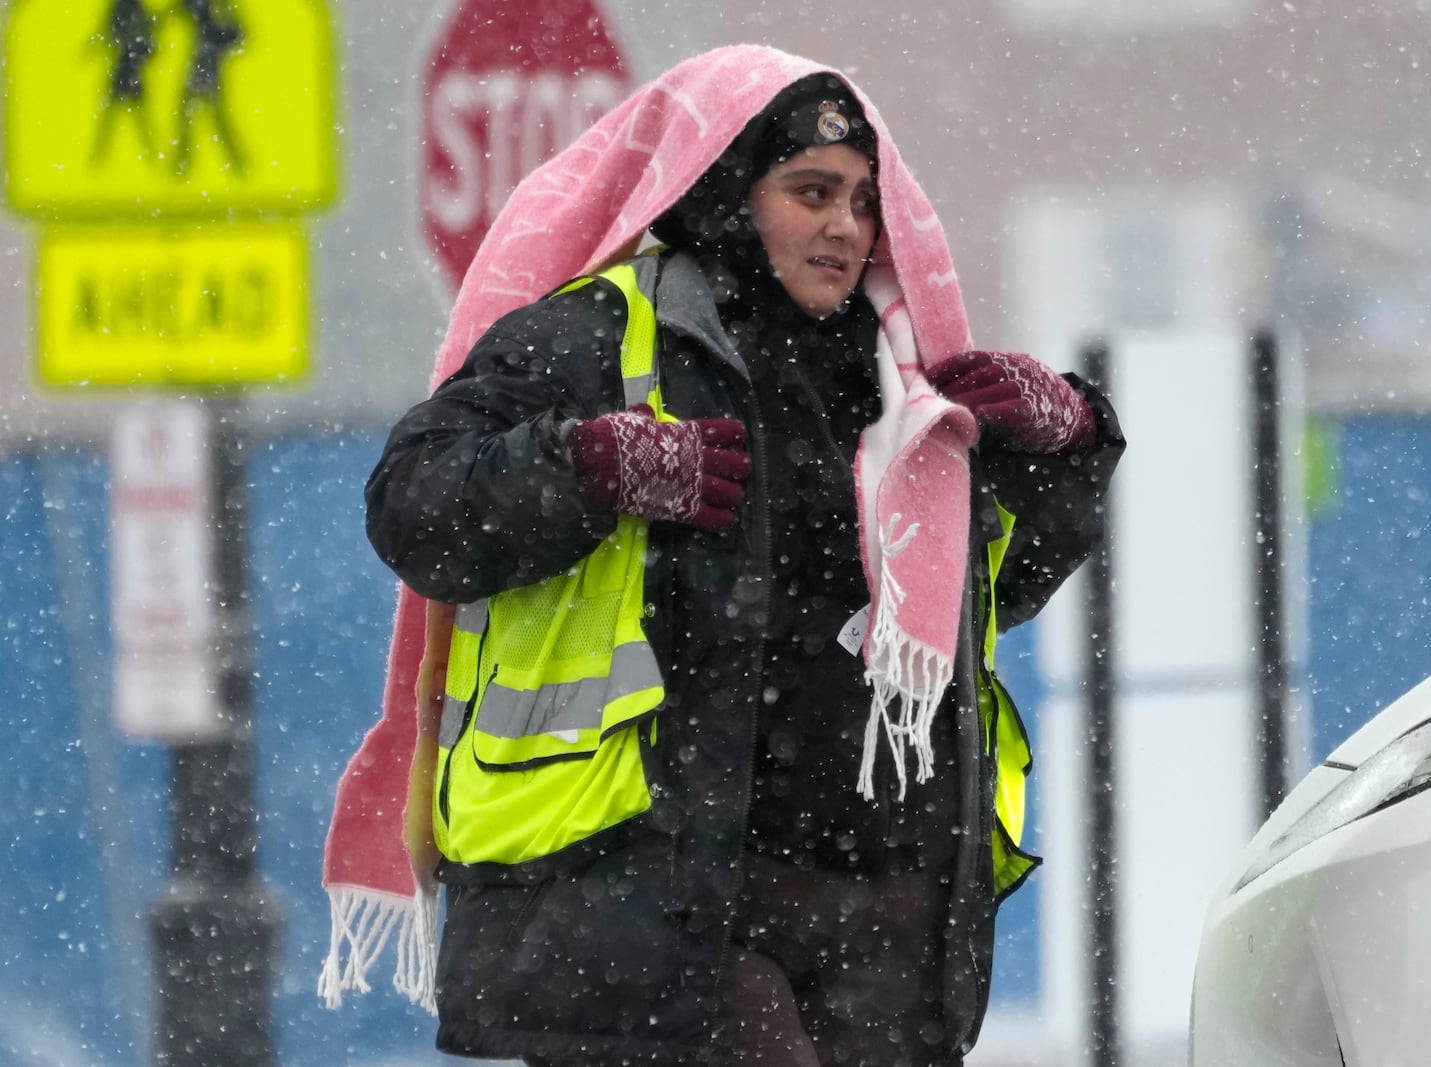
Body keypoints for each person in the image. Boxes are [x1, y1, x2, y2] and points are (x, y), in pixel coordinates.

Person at [321, 45, 1123, 1067]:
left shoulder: (906, 383)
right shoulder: (593, 337)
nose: (846, 225)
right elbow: (415, 503)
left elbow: (996, 589)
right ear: (722, 195)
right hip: (666, 909)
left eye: (865, 200)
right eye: (810, 191)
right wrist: (593, 463)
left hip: (883, 910)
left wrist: (1066, 451)